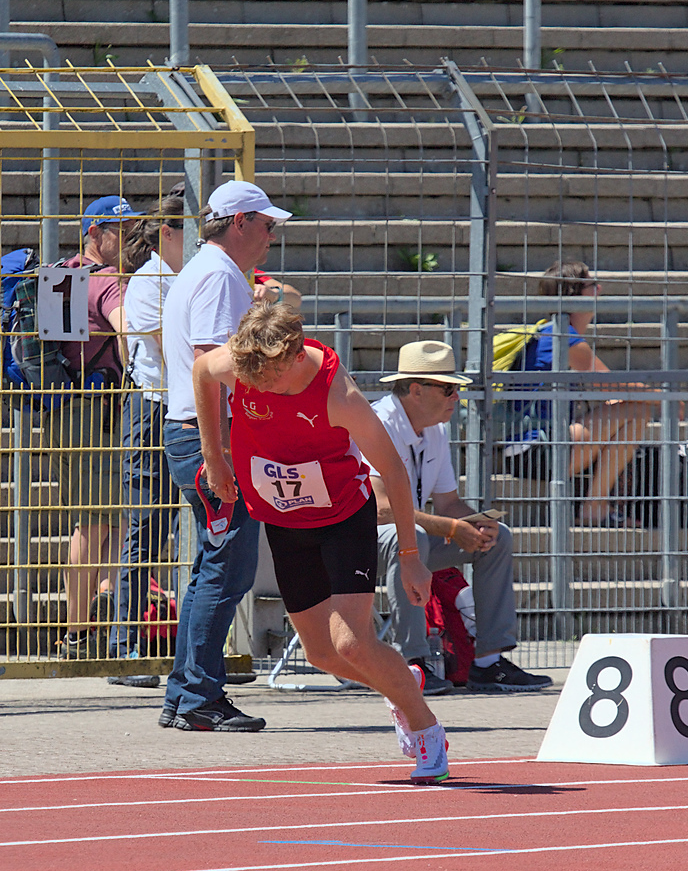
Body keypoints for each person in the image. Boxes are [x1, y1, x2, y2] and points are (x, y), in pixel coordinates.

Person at [193, 299, 449, 781]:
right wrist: (216, 454)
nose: (264, 390)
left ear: (295, 357)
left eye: (275, 382)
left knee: (351, 643)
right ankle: (403, 682)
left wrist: (412, 556)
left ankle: (425, 728)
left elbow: (393, 470)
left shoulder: (339, 394)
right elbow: (202, 371)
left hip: (342, 517)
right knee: (320, 655)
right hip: (286, 521)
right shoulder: (246, 362)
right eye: (255, 382)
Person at [159, 180, 292, 733]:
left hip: (197, 434)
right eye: (266, 224)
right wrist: (219, 458)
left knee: (212, 569)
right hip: (209, 435)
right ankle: (196, 698)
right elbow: (210, 370)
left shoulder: (208, 270)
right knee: (224, 570)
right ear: (239, 222)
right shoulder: (216, 275)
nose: (271, 235)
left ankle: (187, 693)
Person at [371, 339, 552, 695]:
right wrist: (452, 528)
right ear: (417, 391)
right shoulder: (378, 423)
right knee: (409, 538)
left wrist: (476, 524)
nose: (457, 397)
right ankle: (415, 664)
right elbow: (379, 510)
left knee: (497, 537)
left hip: (409, 541)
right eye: (449, 388)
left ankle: (487, 663)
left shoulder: (435, 428)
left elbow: (449, 503)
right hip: (356, 544)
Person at [47, 195, 139, 661]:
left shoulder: (58, 275)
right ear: (94, 232)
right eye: (118, 230)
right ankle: (77, 633)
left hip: (60, 409)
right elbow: (128, 333)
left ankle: (96, 604)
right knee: (99, 521)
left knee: (103, 517)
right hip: (99, 411)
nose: (127, 239)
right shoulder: (107, 282)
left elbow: (52, 349)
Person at [500, 260, 652, 525]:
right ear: (574, 294)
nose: (600, 289)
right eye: (592, 285)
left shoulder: (553, 332)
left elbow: (608, 389)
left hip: (532, 449)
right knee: (638, 411)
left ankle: (598, 504)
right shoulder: (562, 336)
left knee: (626, 410)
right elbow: (610, 384)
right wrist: (664, 397)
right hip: (535, 451)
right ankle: (594, 508)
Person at [108, 194, 184, 665]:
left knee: (188, 528)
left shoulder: (183, 278)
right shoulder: (150, 280)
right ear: (170, 233)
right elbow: (169, 347)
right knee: (145, 526)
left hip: (182, 405)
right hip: (153, 407)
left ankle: (200, 651)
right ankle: (123, 644)